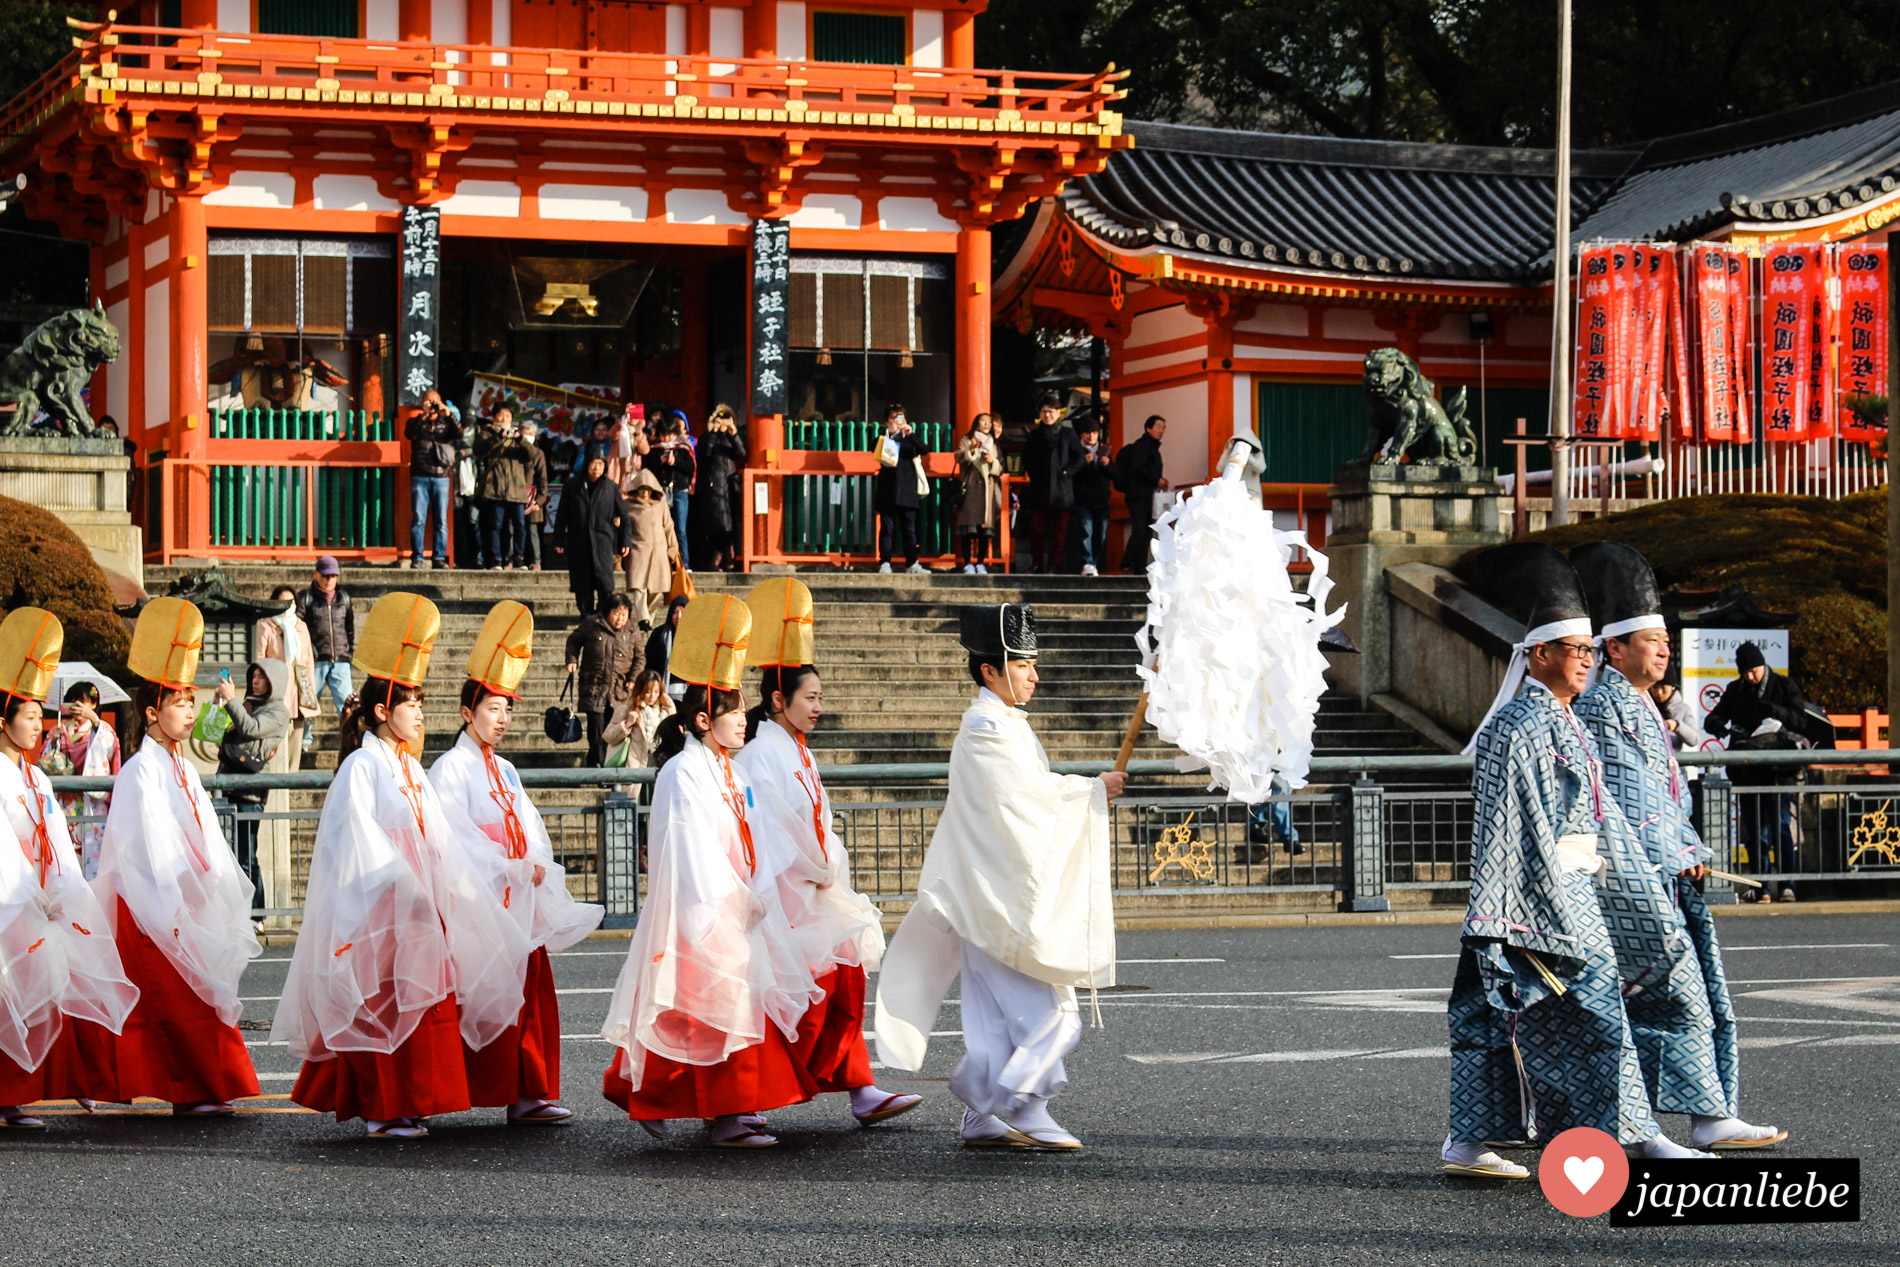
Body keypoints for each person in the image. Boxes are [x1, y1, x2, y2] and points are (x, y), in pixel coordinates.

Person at [1442, 544, 1709, 1180]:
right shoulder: (1518, 725)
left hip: (1567, 892)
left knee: (1545, 1017)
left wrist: (1627, 885)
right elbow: (1504, 826)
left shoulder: (1565, 720)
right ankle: (1620, 1139)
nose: (1588, 661)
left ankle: (1585, 1136)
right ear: (1540, 655)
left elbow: (1596, 816)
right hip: (1529, 899)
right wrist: (1515, 906)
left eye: (1592, 650)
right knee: (1548, 1016)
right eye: (1577, 650)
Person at [275, 593, 530, 1140]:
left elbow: (439, 840)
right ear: (381, 711)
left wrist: (451, 886)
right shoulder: (362, 766)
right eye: (409, 702)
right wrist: (402, 884)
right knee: (385, 1002)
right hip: (381, 910)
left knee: (420, 1004)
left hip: (417, 907)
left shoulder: (410, 770)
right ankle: (384, 1107)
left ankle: (410, 1101)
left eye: (420, 701)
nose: (419, 711)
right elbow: (358, 844)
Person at [876, 604, 1124, 1150]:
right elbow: (1021, 800)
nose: (1035, 674)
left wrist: (1084, 790)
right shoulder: (987, 726)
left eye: (1034, 664)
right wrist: (1089, 791)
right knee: (1055, 1015)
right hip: (996, 898)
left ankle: (980, 1113)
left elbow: (1027, 798)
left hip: (990, 894)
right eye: (1024, 665)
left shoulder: (1002, 723)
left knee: (991, 1022)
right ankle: (1023, 1104)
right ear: (990, 670)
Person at [1572, 542, 1786, 1153]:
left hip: (1660, 870)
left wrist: (1679, 845)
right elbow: (1624, 799)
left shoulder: (1640, 702)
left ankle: (1706, 1112)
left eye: (1666, 638)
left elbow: (1659, 793)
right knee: (1657, 995)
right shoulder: (1605, 703)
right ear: (1613, 648)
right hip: (1625, 878)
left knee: (1695, 990)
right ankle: (1648, 1129)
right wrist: (1673, 847)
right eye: (1650, 638)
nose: (1664, 648)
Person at [600, 595, 823, 1147]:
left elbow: (759, 834)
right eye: (732, 710)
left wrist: (758, 887)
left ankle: (693, 1101)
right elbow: (689, 847)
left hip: (741, 904)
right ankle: (724, 1111)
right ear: (704, 719)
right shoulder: (683, 771)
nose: (743, 719)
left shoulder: (732, 771)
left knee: (708, 1013)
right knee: (704, 1010)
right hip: (702, 908)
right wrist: (727, 898)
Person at [735, 579, 923, 1127]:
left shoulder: (796, 750)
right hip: (784, 894)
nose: (818, 708)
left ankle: (859, 1086)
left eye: (820, 698)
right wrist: (815, 867)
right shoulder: (762, 754)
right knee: (782, 993)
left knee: (844, 975)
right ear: (779, 701)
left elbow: (818, 822)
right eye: (809, 698)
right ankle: (749, 1096)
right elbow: (769, 828)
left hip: (814, 887)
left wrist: (829, 867)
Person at [431, 602, 605, 1125]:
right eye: (492, 709)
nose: (502, 718)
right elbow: (451, 839)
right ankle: (459, 1089)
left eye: (508, 709)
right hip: (480, 906)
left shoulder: (505, 768)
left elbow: (530, 827)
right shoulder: (449, 769)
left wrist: (533, 863)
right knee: (476, 998)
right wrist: (505, 867)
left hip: (516, 902)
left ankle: (529, 1091)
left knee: (529, 998)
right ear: (467, 712)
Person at [97, 598, 263, 1115]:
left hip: (186, 899)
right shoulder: (140, 771)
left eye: (193, 702)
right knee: (180, 1000)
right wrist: (181, 889)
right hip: (155, 906)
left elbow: (207, 836)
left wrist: (210, 880)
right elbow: (144, 845)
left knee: (196, 996)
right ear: (152, 711)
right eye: (180, 702)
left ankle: (202, 1086)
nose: (190, 712)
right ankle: (193, 1089)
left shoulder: (184, 768)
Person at [0, 608, 139, 1126]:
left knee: (62, 979)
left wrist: (63, 884)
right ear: (3, 720)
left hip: (40, 893)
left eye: (41, 716)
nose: (39, 724)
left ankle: (62, 1081)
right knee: (11, 990)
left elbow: (55, 835)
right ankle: (9, 1093)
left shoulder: (36, 777)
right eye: (30, 716)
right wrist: (24, 890)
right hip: (10, 895)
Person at [1704, 642, 1818, 901]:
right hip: (1748, 772)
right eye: (1745, 672)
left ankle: (1788, 884)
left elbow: (1802, 720)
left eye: (1754, 671)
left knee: (1780, 828)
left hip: (1779, 771)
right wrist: (1722, 727)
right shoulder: (1736, 689)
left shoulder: (1783, 685)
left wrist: (1773, 711)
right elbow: (1713, 718)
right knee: (1754, 832)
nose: (1750, 677)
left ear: (1763, 665)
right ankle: (1759, 886)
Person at [214, 659, 290, 908]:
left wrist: (232, 701)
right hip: (226, 786)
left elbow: (251, 728)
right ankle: (236, 910)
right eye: (254, 676)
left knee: (246, 856)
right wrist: (219, 702)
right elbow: (211, 732)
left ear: (274, 682)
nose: (256, 681)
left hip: (250, 794)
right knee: (226, 856)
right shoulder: (246, 704)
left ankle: (256, 913)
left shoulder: (278, 711)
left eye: (262, 677)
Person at [39, 680, 120, 879]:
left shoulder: (102, 730)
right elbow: (44, 762)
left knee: (93, 853)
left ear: (93, 704)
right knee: (64, 850)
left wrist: (95, 721)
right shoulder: (59, 729)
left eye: (82, 702)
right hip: (65, 798)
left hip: (91, 800)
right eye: (73, 701)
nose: (77, 707)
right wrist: (54, 741)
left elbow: (107, 751)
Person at [566, 595, 646, 769]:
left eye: (624, 614)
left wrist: (633, 679)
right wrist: (572, 660)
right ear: (608, 612)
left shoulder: (632, 630)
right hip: (595, 687)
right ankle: (596, 763)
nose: (620, 618)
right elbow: (573, 641)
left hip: (619, 690)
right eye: (616, 613)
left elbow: (640, 658)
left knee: (614, 729)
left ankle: (607, 765)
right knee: (596, 729)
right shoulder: (593, 625)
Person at [557, 453, 632, 618]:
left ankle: (602, 616)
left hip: (603, 542)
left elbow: (625, 517)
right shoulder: (572, 485)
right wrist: (559, 539)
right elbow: (562, 514)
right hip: (579, 542)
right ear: (586, 464)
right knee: (582, 584)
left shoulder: (610, 487)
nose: (597, 467)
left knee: (605, 584)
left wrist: (625, 541)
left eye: (600, 463)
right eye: (593, 463)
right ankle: (585, 616)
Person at [1020, 393, 1083, 574]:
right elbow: (1026, 459)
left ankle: (1054, 564)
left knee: (1059, 530)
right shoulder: (1034, 436)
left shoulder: (1067, 434)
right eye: (1044, 411)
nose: (1047, 415)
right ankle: (1037, 563)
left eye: (1051, 411)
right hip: (1039, 488)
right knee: (1036, 529)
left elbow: (1079, 457)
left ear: (1058, 413)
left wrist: (1066, 473)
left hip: (1061, 489)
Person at [404, 390, 465, 569]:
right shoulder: (416, 422)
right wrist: (423, 415)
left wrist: (449, 414)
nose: (432, 405)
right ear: (422, 403)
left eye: (435, 401)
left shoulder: (445, 423)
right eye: (428, 401)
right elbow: (410, 434)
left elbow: (459, 434)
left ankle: (439, 557)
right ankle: (417, 556)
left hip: (441, 477)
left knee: (441, 520)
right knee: (418, 518)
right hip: (420, 475)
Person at [475, 407, 534, 571]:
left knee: (520, 525)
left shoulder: (518, 436)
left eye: (508, 415)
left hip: (516, 489)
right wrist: (497, 437)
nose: (504, 418)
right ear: (494, 417)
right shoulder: (487, 434)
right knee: (495, 525)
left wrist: (520, 438)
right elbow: (478, 451)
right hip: (496, 488)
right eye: (501, 415)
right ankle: (495, 560)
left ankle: (519, 559)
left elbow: (531, 455)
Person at [622, 469, 681, 628]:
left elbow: (668, 526)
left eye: (648, 490)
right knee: (639, 586)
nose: (645, 493)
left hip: (659, 551)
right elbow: (622, 526)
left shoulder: (660, 504)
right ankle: (643, 619)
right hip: (638, 550)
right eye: (642, 489)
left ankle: (649, 619)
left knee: (658, 589)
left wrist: (673, 547)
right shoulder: (628, 506)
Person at [692, 405, 747, 572]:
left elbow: (741, 453)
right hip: (714, 486)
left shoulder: (730, 438)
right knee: (720, 525)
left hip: (730, 485)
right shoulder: (708, 437)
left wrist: (733, 433)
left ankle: (723, 560)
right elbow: (705, 452)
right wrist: (712, 431)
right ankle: (722, 560)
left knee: (731, 523)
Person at [873, 403, 926, 575]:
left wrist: (910, 434)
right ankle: (885, 562)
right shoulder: (884, 436)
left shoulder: (909, 439)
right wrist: (888, 433)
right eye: (894, 418)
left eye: (901, 418)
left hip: (907, 488)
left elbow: (925, 449)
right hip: (888, 488)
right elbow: (872, 447)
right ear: (887, 421)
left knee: (909, 529)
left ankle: (912, 563)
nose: (898, 422)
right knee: (887, 529)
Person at [297, 556, 354, 714]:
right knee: (308, 704)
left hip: (340, 659)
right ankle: (305, 739)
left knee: (347, 706)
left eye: (333, 576)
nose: (329, 580)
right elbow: (298, 627)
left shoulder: (344, 598)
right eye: (325, 575)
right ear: (316, 574)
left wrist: (348, 652)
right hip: (314, 660)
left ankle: (348, 737)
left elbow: (349, 628)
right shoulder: (306, 598)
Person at [1113, 414, 1169, 574]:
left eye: (1163, 427)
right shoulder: (1143, 446)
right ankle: (1127, 562)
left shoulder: (1152, 448)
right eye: (1158, 426)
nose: (1161, 431)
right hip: (1138, 496)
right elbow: (1138, 469)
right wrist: (1156, 480)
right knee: (1140, 530)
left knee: (1146, 531)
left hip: (1147, 496)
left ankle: (1140, 566)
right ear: (1148, 428)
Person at [955, 412, 1002, 575]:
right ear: (976, 423)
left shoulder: (992, 443)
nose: (987, 425)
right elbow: (958, 457)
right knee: (968, 529)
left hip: (987, 490)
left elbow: (1001, 467)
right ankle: (968, 562)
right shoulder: (967, 439)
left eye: (989, 422)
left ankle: (980, 562)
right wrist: (971, 450)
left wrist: (993, 462)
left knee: (984, 530)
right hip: (970, 488)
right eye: (983, 422)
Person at [651, 411, 697, 572]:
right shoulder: (655, 450)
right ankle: (663, 563)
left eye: (669, 434)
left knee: (680, 529)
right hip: (660, 493)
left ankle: (684, 563)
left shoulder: (683, 448)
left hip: (679, 491)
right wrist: (660, 462)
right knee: (660, 529)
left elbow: (690, 469)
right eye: (663, 435)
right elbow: (649, 471)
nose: (665, 438)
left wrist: (675, 461)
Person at [1073, 415, 1114, 577]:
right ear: (1082, 435)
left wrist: (1108, 465)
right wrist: (1084, 463)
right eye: (1087, 433)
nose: (1091, 435)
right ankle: (1087, 561)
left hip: (1102, 500)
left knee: (1101, 533)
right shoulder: (1076, 451)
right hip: (1083, 499)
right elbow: (1071, 472)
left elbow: (1117, 476)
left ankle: (1093, 562)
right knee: (1086, 530)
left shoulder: (1104, 451)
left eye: (1094, 432)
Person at [646, 596, 690, 706]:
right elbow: (649, 663)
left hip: (690, 692)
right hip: (663, 691)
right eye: (675, 612)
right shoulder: (659, 634)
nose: (679, 617)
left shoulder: (696, 637)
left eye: (683, 612)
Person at [520, 418, 550, 572]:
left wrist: (539, 500)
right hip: (516, 494)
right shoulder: (514, 450)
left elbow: (543, 479)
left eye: (529, 434)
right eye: (524, 434)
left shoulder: (538, 453)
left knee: (532, 531)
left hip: (532, 495)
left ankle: (536, 561)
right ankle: (516, 560)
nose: (526, 437)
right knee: (514, 530)